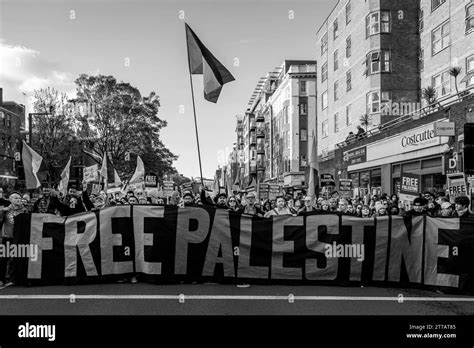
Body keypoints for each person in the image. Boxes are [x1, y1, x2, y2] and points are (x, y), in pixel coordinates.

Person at [0, 192, 27, 287]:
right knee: (3, 260)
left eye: (20, 198)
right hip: (7, 238)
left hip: (20, 239)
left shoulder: (25, 210)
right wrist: (2, 211)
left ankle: (17, 279)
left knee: (19, 259)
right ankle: (2, 279)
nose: (18, 199)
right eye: (16, 198)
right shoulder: (5, 210)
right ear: (10, 200)